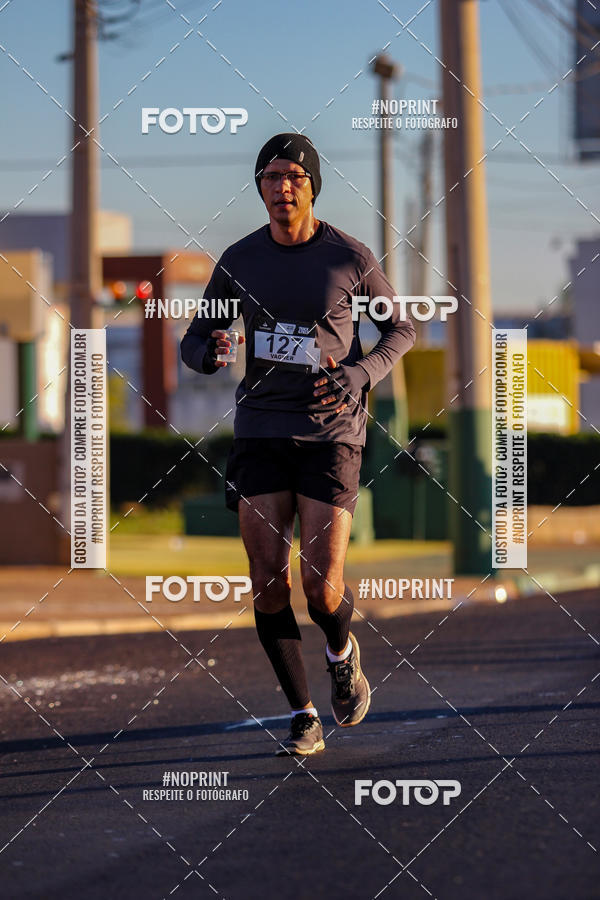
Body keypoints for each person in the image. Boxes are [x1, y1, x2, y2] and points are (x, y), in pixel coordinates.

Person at [181, 133, 415, 756]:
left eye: (294, 177)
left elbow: (401, 330)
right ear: (259, 187)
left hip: (330, 433)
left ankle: (341, 651)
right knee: (266, 578)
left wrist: (359, 374)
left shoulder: (348, 257)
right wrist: (210, 352)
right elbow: (194, 341)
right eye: (271, 176)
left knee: (321, 587)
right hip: (260, 428)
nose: (283, 187)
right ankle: (302, 713)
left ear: (313, 187)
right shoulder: (240, 259)